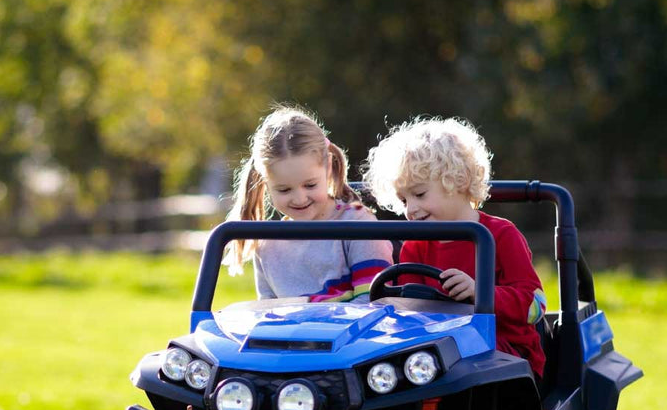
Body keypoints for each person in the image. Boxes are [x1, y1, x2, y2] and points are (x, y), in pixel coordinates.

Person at [363, 116, 546, 379]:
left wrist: (480, 292)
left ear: (458, 181)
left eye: (420, 194)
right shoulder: (415, 246)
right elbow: (407, 313)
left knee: (462, 366)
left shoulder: (500, 235)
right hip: (436, 355)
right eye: (404, 200)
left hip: (505, 355)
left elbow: (535, 306)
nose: (410, 209)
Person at [224, 106, 393, 303]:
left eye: (310, 185)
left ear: (328, 168)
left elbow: (373, 301)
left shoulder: (359, 226)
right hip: (290, 334)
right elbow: (268, 311)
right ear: (265, 183)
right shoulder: (267, 244)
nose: (299, 198)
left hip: (351, 331)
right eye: (284, 190)